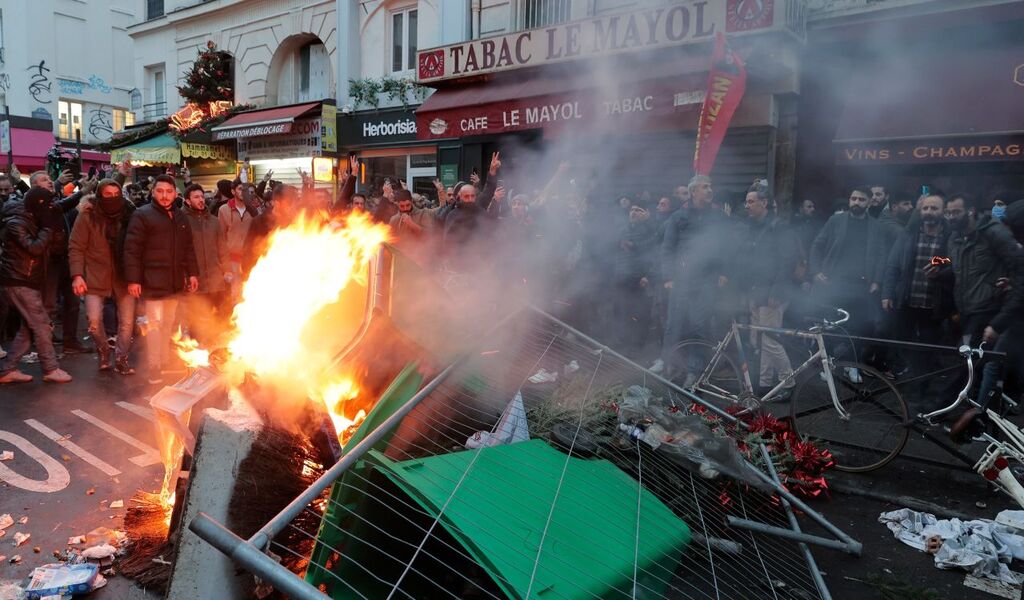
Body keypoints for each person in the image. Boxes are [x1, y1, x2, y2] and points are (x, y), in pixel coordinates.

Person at [653, 174, 732, 381]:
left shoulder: (718, 216)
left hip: (707, 280)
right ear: (693, 191)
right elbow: (667, 248)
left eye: (710, 186)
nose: (709, 190)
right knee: (674, 324)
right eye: (705, 187)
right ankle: (669, 364)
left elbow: (726, 247)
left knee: (699, 325)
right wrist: (668, 277)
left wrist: (724, 272)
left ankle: (694, 371)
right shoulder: (678, 216)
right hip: (681, 279)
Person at [123, 174, 200, 384]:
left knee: (168, 324)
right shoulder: (142, 215)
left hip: (174, 282)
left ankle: (165, 360)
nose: (165, 196)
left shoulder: (181, 217)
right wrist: (133, 280)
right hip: (151, 281)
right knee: (155, 326)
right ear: (153, 192)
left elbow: (188, 249)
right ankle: (154, 366)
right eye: (160, 191)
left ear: (175, 193)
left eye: (169, 192)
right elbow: (132, 250)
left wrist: (193, 273)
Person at [809, 187, 888, 382]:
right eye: (853, 198)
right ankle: (828, 366)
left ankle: (852, 366)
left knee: (859, 327)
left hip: (861, 285)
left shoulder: (876, 226)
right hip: (833, 282)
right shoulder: (836, 220)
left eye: (861, 199)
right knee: (829, 326)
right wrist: (816, 271)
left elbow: (881, 256)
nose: (856, 202)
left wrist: (877, 281)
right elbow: (817, 244)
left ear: (869, 202)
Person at [881, 193, 953, 399]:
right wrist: (887, 293)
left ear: (942, 212)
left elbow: (954, 261)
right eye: (926, 208)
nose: (929, 212)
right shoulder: (909, 234)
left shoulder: (950, 237)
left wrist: (941, 268)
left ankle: (921, 389)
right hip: (907, 301)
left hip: (934, 304)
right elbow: (893, 265)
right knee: (904, 344)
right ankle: (909, 383)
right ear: (920, 211)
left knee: (928, 349)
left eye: (934, 208)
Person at [0, 187, 72, 383]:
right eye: (47, 205)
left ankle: (8, 369)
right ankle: (50, 368)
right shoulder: (16, 223)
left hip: (28, 279)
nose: (50, 209)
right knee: (40, 325)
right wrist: (48, 228)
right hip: (19, 280)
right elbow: (35, 248)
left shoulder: (32, 217)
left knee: (28, 328)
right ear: (38, 205)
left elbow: (62, 208)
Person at [68, 180, 137, 374]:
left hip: (123, 276)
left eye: (117, 194)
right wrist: (77, 275)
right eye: (108, 194)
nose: (113, 198)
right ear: (99, 195)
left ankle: (122, 359)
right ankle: (104, 351)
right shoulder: (87, 216)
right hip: (95, 276)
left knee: (127, 323)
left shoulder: (128, 215)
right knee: (94, 321)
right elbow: (76, 247)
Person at [740, 183, 801, 399]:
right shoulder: (752, 226)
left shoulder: (779, 227)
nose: (747, 206)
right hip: (756, 291)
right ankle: (765, 384)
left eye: (751, 201)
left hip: (772, 293)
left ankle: (789, 381)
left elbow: (788, 261)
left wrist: (777, 290)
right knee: (761, 340)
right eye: (746, 201)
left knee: (771, 340)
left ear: (764, 203)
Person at [182, 183, 228, 345]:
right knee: (196, 319)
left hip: (216, 280)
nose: (201, 200)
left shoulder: (214, 221)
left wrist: (226, 270)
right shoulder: (182, 220)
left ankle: (215, 352)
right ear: (187, 201)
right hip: (195, 280)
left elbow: (222, 248)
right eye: (196, 197)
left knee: (217, 318)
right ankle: (198, 355)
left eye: (202, 196)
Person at [218, 179, 255, 303]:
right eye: (240, 189)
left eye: (245, 190)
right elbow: (221, 237)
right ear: (233, 191)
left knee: (251, 292)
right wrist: (224, 264)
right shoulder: (224, 210)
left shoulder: (253, 210)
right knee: (235, 294)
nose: (243, 192)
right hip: (233, 260)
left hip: (250, 259)